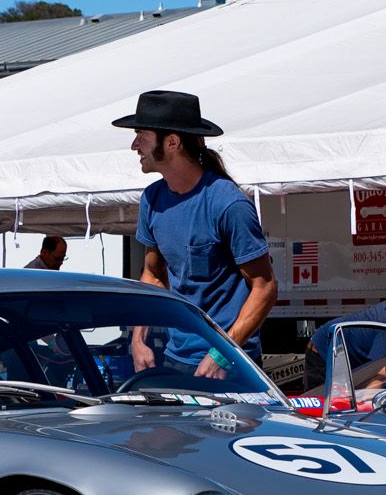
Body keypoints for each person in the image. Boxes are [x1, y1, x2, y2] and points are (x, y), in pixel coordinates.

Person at [112, 90, 277, 378]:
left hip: (233, 364)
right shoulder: (152, 199)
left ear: (172, 142)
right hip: (177, 359)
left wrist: (223, 353)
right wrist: (138, 340)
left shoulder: (228, 203)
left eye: (141, 135)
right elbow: (153, 276)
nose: (134, 145)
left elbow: (265, 288)